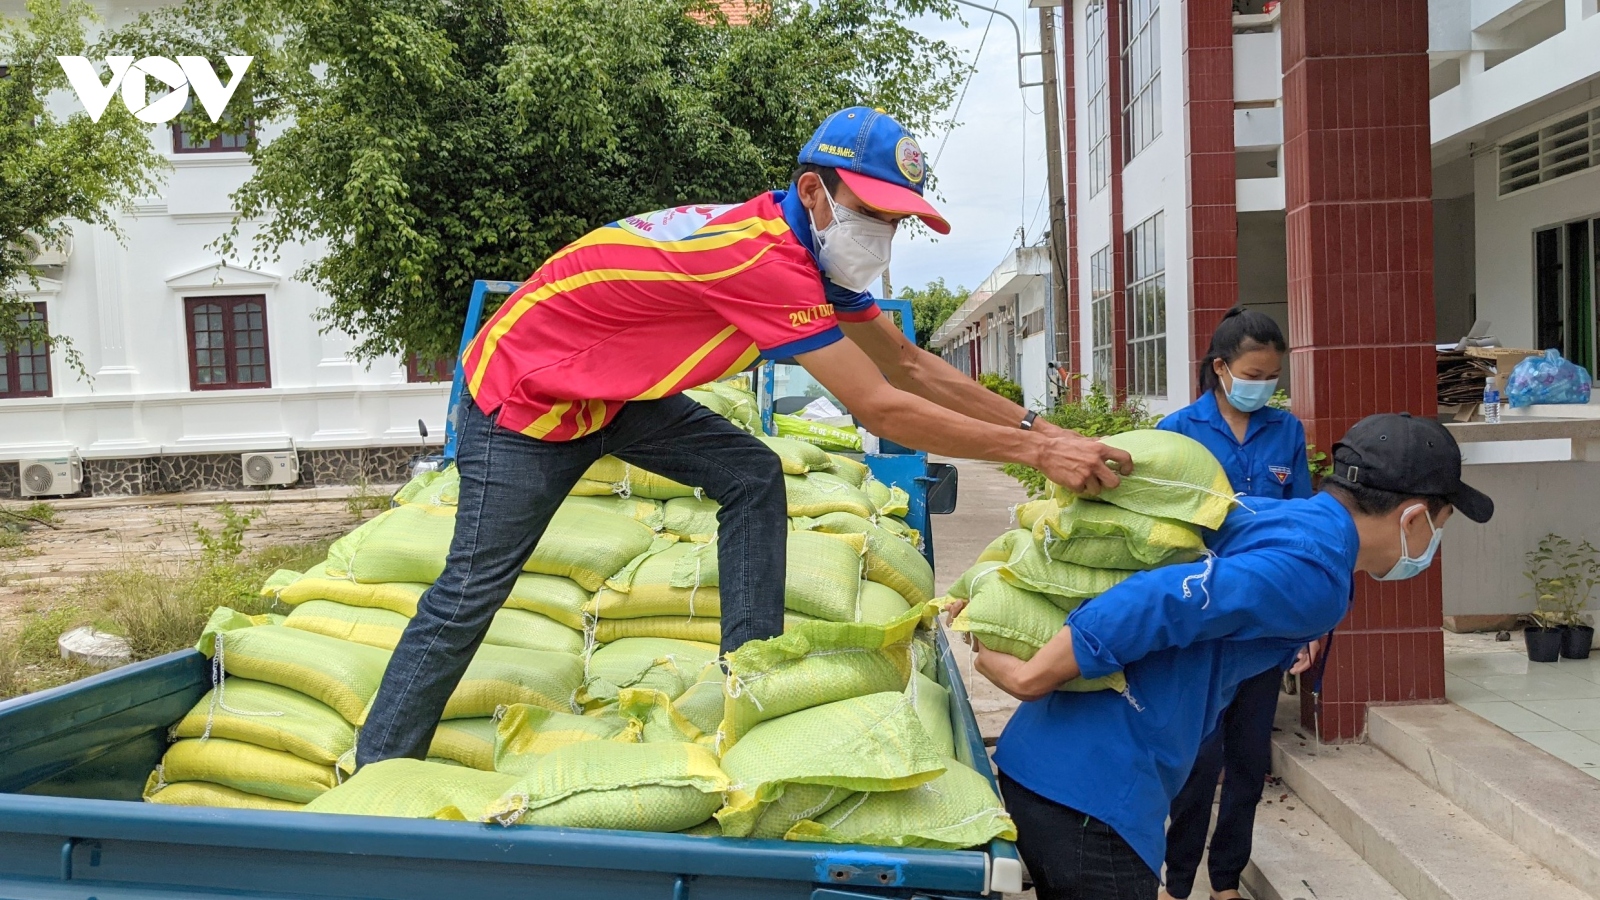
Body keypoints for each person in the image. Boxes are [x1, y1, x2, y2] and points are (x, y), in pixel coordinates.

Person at [355, 106, 1133, 766]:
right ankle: (380, 765)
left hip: (614, 397)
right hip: (525, 399)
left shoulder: (809, 255)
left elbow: (905, 363)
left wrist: (1046, 428)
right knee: (470, 593)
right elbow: (881, 408)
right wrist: (1038, 455)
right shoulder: (760, 258)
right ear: (812, 193)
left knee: (751, 475)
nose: (883, 234)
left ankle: (749, 680)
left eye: (896, 221)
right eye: (871, 214)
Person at [961, 412, 1493, 900]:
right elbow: (1162, 598)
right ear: (1415, 517)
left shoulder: (1278, 517)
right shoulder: (1319, 575)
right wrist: (1033, 675)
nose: (1435, 539)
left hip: (1046, 765)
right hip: (1097, 795)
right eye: (1443, 524)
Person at [1155, 307, 1313, 900]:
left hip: (1266, 623)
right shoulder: (1178, 430)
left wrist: (1306, 624)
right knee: (1198, 761)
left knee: (1249, 762)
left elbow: (1301, 526)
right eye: (1253, 373)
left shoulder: (1286, 432)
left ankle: (1226, 882)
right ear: (1220, 368)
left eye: (1273, 376)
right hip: (1201, 620)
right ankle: (1177, 883)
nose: (1264, 386)